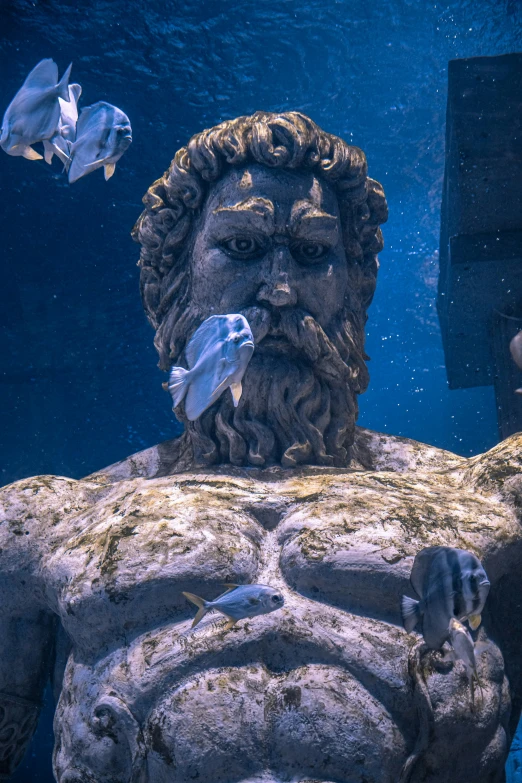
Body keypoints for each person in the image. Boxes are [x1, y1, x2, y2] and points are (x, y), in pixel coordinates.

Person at [1, 112, 520, 783]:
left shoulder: (480, 500)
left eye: (311, 254)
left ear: (355, 284)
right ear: (174, 278)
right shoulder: (43, 523)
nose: (278, 290)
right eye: (241, 248)